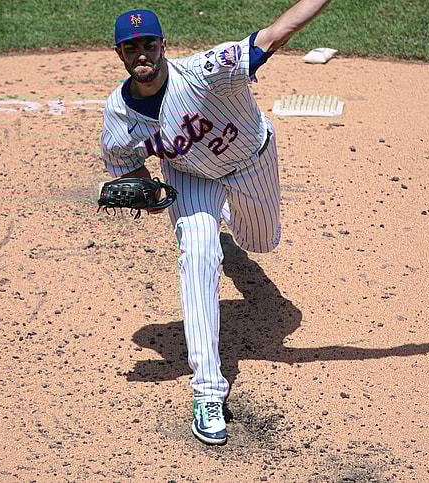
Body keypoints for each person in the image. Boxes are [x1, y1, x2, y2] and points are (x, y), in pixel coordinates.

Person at [100, 1, 333, 445]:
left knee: (259, 241)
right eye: (132, 49)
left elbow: (277, 32)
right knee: (198, 252)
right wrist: (148, 195)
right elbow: (130, 170)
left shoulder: (208, 70)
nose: (142, 55)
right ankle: (208, 391)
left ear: (163, 46)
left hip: (251, 160)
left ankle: (226, 218)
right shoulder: (118, 114)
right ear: (120, 55)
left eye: (149, 44)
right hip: (189, 176)